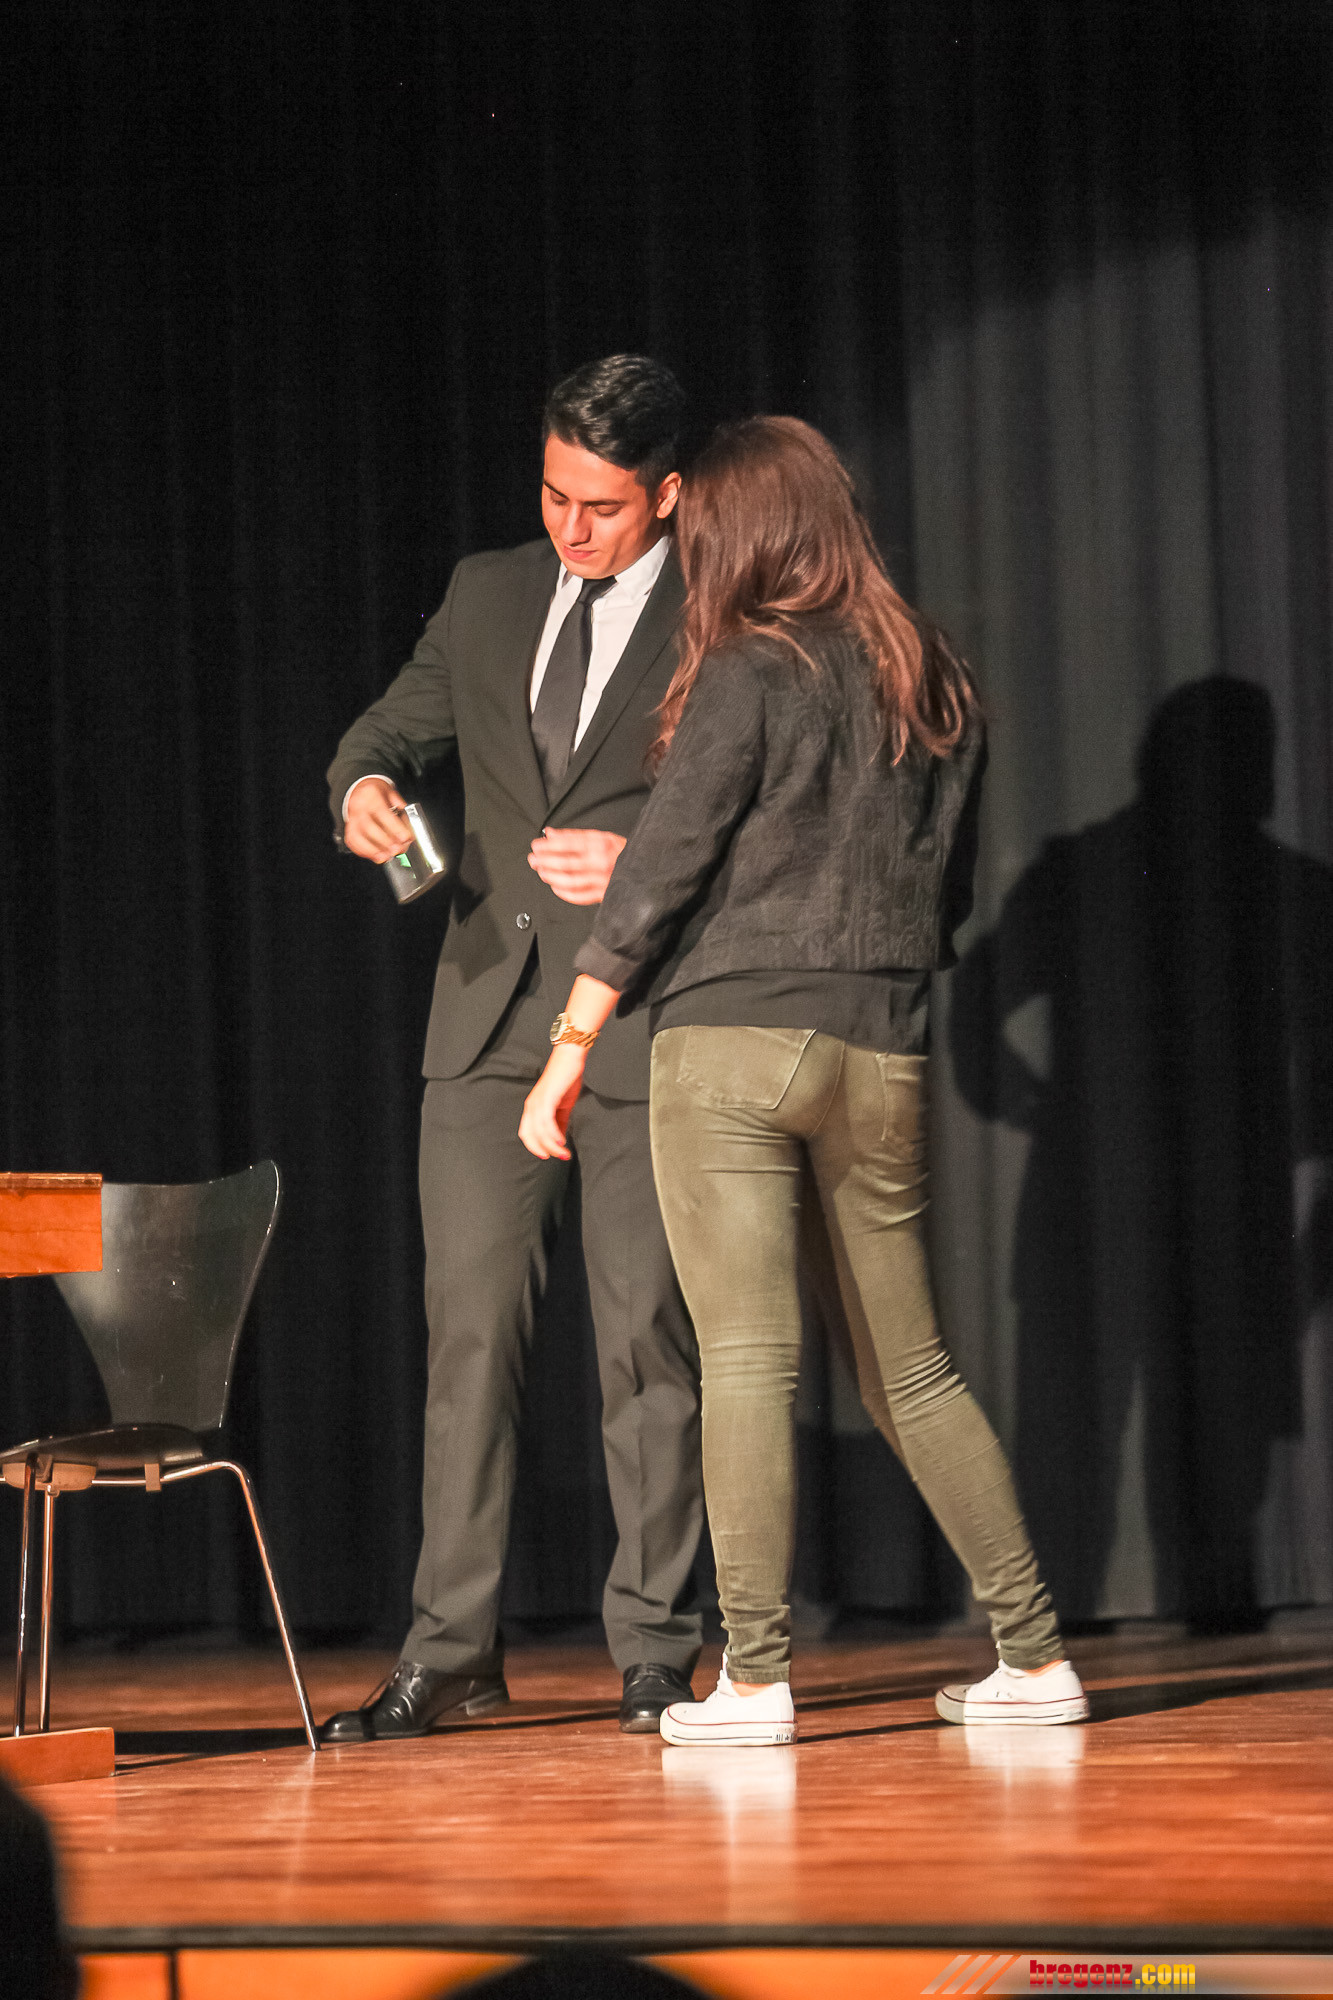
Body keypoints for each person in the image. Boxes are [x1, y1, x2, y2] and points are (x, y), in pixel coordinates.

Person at [519, 416, 1088, 1746]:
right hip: (881, 1048)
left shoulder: (746, 664)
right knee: (913, 1371)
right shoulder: (931, 674)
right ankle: (1036, 1660)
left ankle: (757, 1682)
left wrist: (567, 1049)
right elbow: (945, 892)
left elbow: (662, 872)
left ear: (740, 530)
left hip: (728, 1045)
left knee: (745, 1362)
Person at [323, 357, 705, 1742]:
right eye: (554, 496)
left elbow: (760, 800)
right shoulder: (487, 592)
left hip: (641, 1017)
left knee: (644, 1340)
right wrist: (364, 788)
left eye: (603, 507)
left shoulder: (717, 606)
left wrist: (638, 859)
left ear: (668, 494)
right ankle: (452, 1650)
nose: (572, 530)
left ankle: (656, 1648)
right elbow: (383, 731)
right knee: (469, 1338)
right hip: (487, 1019)